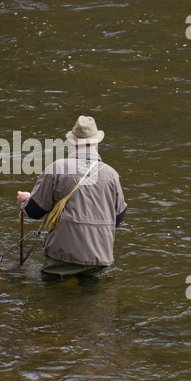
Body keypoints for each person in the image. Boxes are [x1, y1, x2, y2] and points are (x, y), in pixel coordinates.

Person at [17, 115, 127, 277]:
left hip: (63, 255)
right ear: (96, 142)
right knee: (94, 300)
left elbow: (35, 211)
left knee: (48, 296)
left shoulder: (57, 168)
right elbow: (117, 218)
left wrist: (25, 200)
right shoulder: (111, 174)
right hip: (100, 256)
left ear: (74, 142)